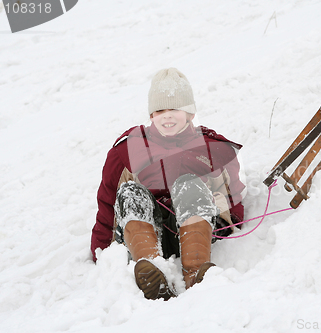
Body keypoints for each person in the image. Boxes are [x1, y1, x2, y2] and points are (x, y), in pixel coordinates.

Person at [90, 68, 245, 300]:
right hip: (145, 233)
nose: (167, 116)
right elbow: (107, 202)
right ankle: (154, 269)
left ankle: (195, 272)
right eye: (160, 110)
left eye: (175, 109)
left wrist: (228, 219)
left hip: (196, 230)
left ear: (190, 114)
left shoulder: (211, 148)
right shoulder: (128, 149)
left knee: (188, 184)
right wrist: (99, 250)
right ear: (151, 115)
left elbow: (232, 198)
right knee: (131, 192)